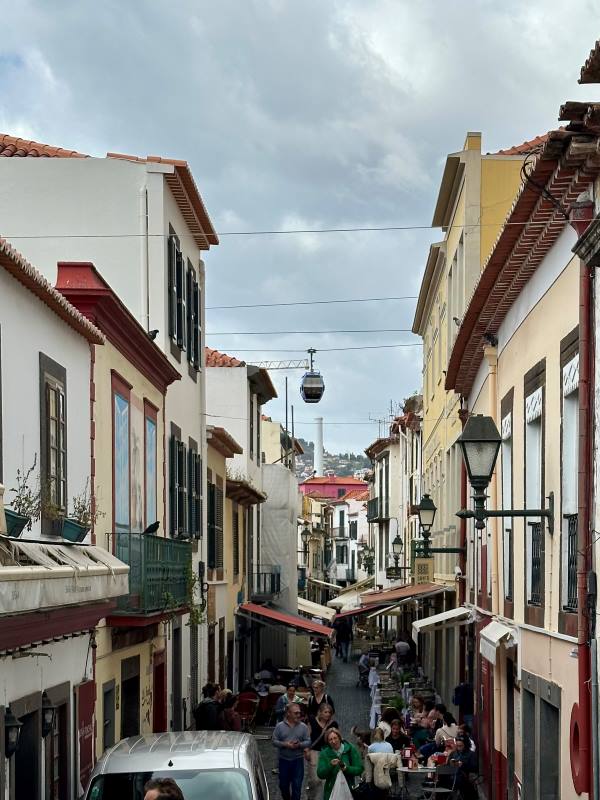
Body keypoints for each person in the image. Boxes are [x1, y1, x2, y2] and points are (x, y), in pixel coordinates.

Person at [272, 703, 311, 800]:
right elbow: (274, 741)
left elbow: (308, 741)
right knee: (283, 785)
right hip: (283, 761)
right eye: (296, 713)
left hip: (298, 761)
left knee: (297, 787)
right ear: (288, 713)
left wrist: (299, 745)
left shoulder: (303, 727)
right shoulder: (279, 726)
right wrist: (285, 744)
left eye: (299, 713)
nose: (299, 715)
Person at [317, 728, 363, 800]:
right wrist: (330, 765)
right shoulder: (324, 753)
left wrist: (347, 769)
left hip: (349, 789)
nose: (334, 741)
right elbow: (320, 774)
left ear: (340, 738)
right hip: (331, 790)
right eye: (330, 739)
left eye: (335, 738)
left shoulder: (350, 749)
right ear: (328, 742)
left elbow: (359, 769)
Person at [305, 704, 339, 800]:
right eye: (325, 712)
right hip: (314, 752)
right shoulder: (312, 720)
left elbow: (337, 738)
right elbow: (307, 736)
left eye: (329, 712)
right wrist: (307, 749)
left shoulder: (333, 724)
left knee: (325, 779)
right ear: (320, 712)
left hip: (327, 752)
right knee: (315, 779)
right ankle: (311, 796)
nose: (328, 714)